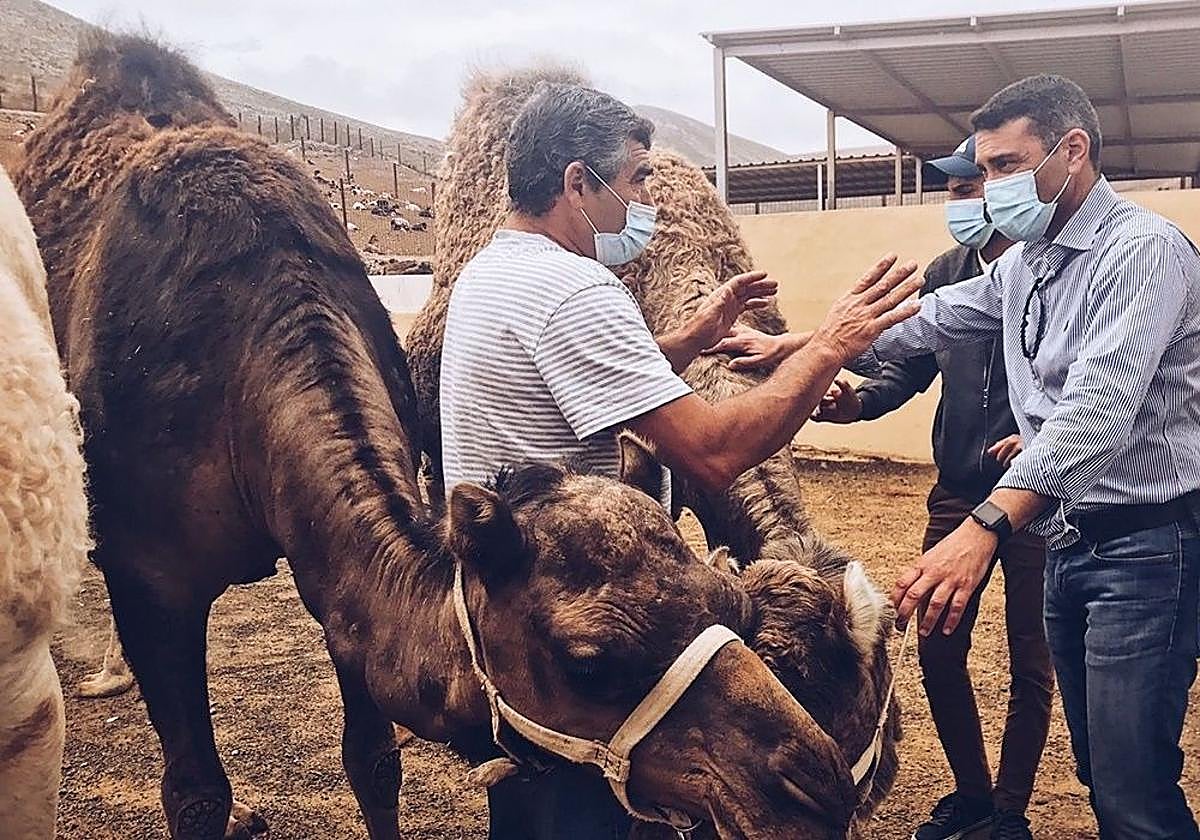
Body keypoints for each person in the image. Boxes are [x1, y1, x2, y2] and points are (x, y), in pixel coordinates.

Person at [438, 81, 921, 839]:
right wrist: (832, 346)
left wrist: (689, 341)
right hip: (591, 642)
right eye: (633, 182)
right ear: (576, 183)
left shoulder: (495, 272)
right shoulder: (575, 290)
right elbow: (714, 453)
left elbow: (574, 371)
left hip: (518, 633)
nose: (642, 205)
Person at [840, 74, 1200, 839]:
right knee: (1103, 770)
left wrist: (983, 527)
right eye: (986, 169)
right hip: (1073, 539)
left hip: (1145, 548)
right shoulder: (1030, 261)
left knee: (1133, 786)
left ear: (1073, 152)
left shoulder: (1139, 252)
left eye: (1006, 166)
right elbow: (932, 321)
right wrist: (807, 348)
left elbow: (1094, 417)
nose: (991, 187)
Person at [709, 136, 1052, 840]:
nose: (964, 199)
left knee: (1030, 657)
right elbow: (907, 368)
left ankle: (1011, 813)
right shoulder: (948, 272)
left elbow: (1084, 378)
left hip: (1035, 494)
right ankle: (972, 794)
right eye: (957, 189)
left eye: (978, 184)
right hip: (957, 492)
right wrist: (855, 402)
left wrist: (1044, 438)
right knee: (935, 646)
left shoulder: (1047, 273)